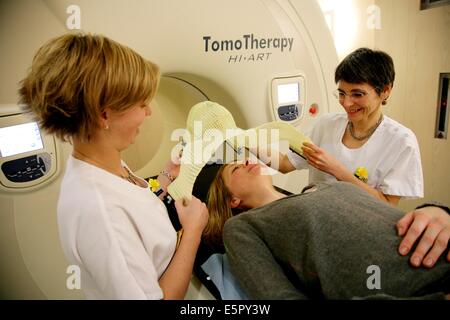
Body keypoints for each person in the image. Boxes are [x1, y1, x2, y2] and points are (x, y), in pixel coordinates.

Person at [18, 33, 208, 299]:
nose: (149, 112)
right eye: (142, 104)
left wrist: (165, 178)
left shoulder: (103, 162)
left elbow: (134, 206)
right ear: (104, 115)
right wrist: (192, 232)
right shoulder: (99, 212)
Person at [203, 159, 449, 299]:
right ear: (232, 200)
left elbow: (386, 213)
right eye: (235, 168)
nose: (247, 160)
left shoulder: (317, 188)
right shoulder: (242, 227)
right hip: (418, 290)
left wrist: (439, 211)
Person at [279, 48, 423, 206]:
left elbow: (386, 205)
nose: (346, 103)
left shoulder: (401, 141)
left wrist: (336, 170)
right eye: (341, 93)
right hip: (315, 218)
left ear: (385, 91)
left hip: (359, 227)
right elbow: (285, 164)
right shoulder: (326, 125)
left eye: (357, 94)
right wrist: (248, 140)